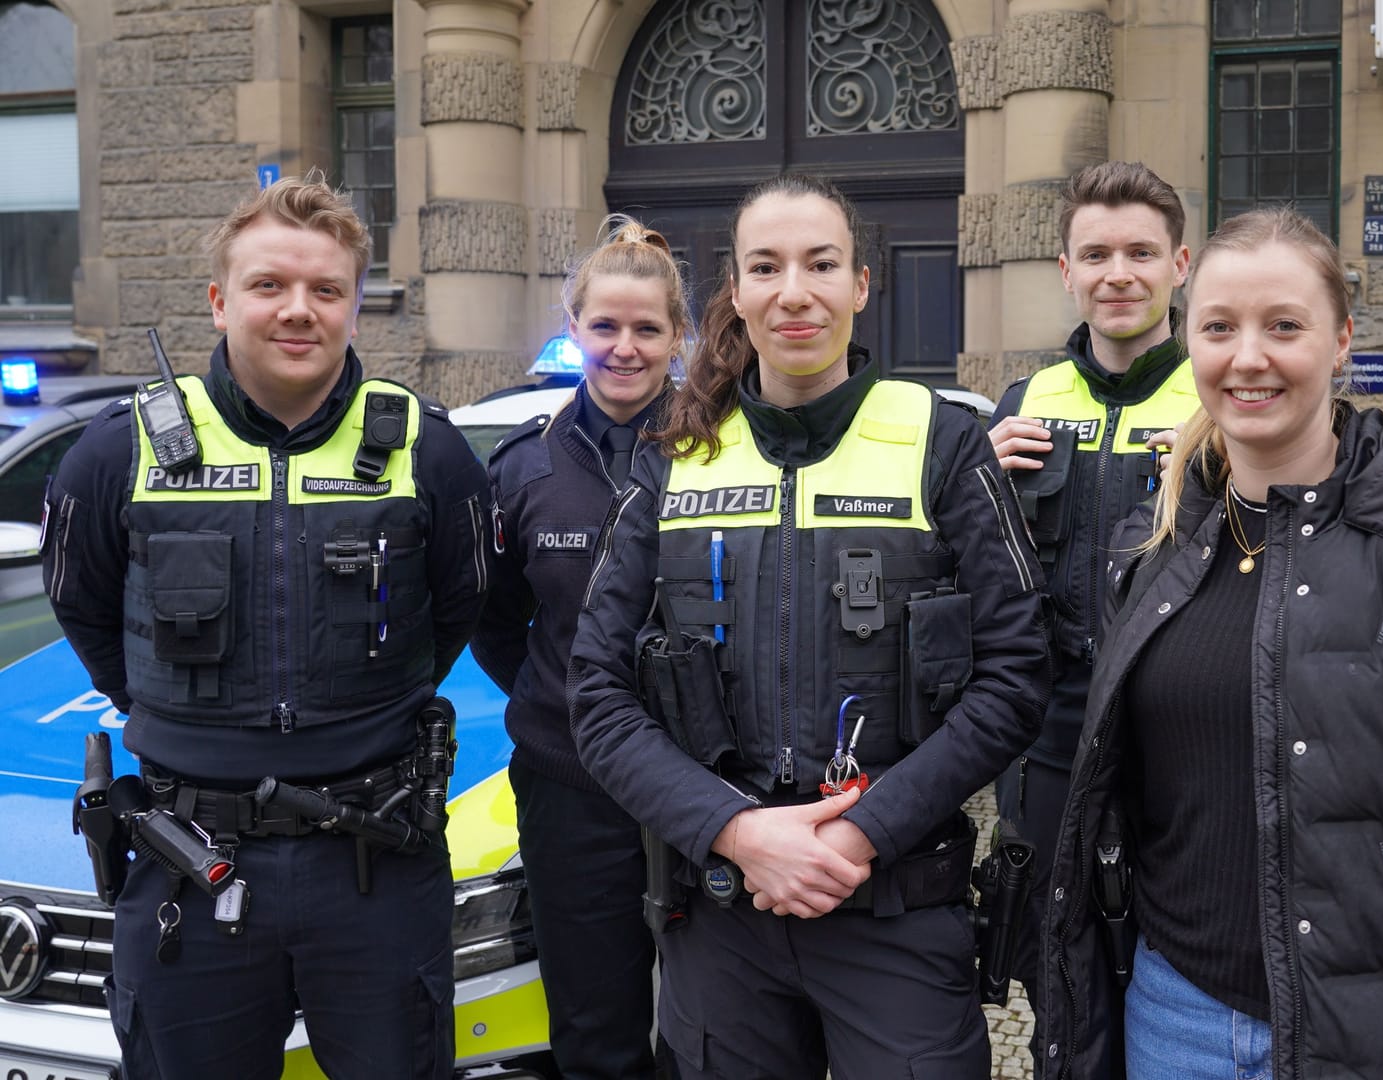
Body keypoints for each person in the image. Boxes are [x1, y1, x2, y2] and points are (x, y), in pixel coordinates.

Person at [1039, 206, 1383, 1079]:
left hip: (1376, 1037)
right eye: (1219, 327)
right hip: (1175, 1021)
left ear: (1341, 343)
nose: (1248, 357)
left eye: (1284, 326)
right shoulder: (1156, 547)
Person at [568, 173, 1050, 1078]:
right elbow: (596, 692)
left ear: (861, 285)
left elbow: (1017, 675)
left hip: (895, 907)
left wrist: (859, 834)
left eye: (821, 264)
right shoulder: (676, 457)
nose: (795, 291)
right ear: (739, 294)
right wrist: (740, 832)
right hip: (721, 919)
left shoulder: (941, 445)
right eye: (767, 267)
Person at [43, 176, 489, 1078]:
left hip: (376, 865)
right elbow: (82, 602)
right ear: (218, 300)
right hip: (189, 864)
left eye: (327, 290)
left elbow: (459, 608)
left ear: (356, 308)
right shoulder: (117, 452)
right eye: (268, 286)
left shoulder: (426, 451)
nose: (299, 311)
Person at [472, 215, 687, 1079]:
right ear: (573, 330)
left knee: (719, 1022)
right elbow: (493, 620)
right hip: (573, 787)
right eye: (604, 327)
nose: (625, 348)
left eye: (647, 329)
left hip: (709, 781)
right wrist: (564, 699)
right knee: (596, 1031)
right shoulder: (524, 469)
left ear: (680, 337)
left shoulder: (726, 452)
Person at [986, 160, 1194, 987]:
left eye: (1141, 253)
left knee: (1169, 960)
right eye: (1097, 255)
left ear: (1180, 267)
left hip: (1173, 736)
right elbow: (971, 577)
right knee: (1050, 962)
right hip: (1046, 735)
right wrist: (981, 491)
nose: (1119, 275)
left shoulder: (1217, 397)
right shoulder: (1022, 401)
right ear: (1067, 273)